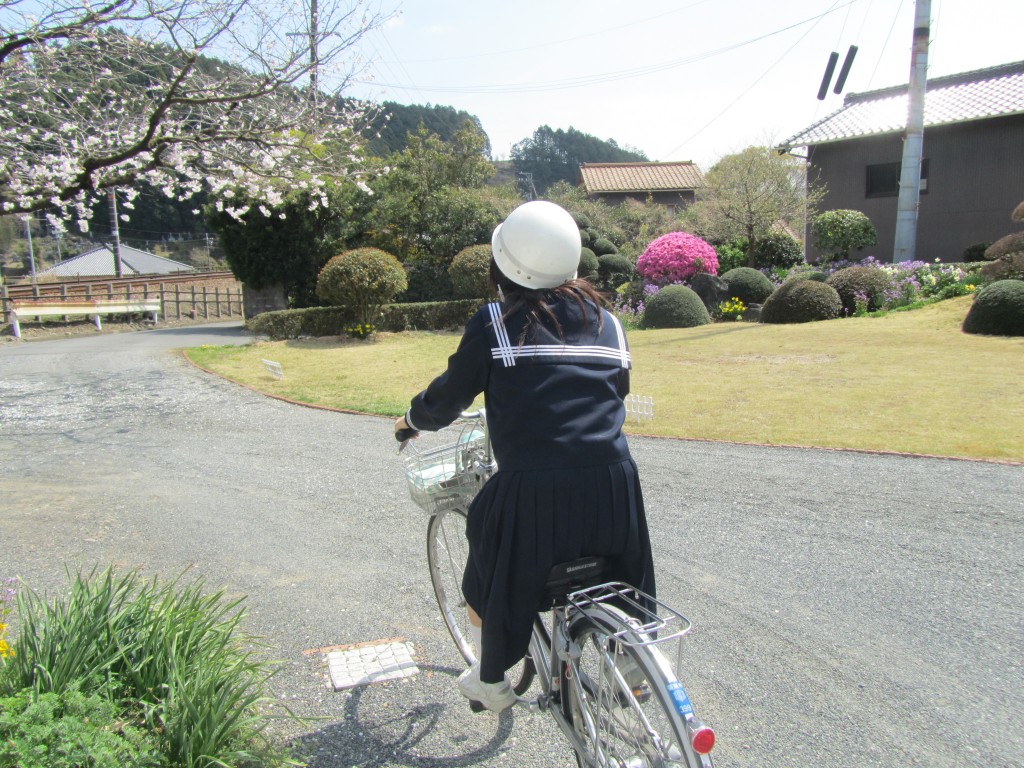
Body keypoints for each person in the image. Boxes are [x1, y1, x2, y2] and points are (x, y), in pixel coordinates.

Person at [394, 200, 656, 712]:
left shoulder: (494, 322)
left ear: (502, 265)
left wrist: (411, 421)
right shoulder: (610, 324)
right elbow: (611, 393)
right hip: (614, 486)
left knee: (486, 537)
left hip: (533, 492)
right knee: (618, 577)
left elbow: (447, 398)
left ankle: (492, 678)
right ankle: (632, 654)